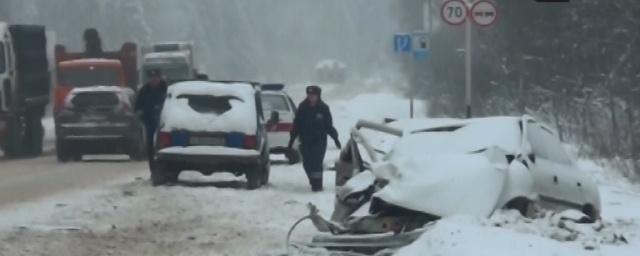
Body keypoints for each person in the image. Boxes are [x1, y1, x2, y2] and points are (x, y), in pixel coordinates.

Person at [288, 85, 341, 192]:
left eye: (313, 95)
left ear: (318, 96)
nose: (311, 97)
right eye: (309, 95)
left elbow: (328, 125)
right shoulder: (302, 107)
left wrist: (335, 138)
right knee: (307, 163)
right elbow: (296, 124)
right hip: (305, 140)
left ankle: (317, 185)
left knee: (317, 163)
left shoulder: (323, 108)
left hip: (319, 140)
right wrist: (291, 140)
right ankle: (313, 180)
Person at [135, 69, 168, 162]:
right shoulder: (144, 90)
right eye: (152, 78)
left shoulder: (166, 88)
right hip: (149, 122)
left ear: (160, 78)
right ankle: (152, 166)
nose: (154, 80)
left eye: (156, 78)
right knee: (150, 146)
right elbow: (138, 105)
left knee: (163, 145)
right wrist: (139, 113)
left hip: (164, 122)